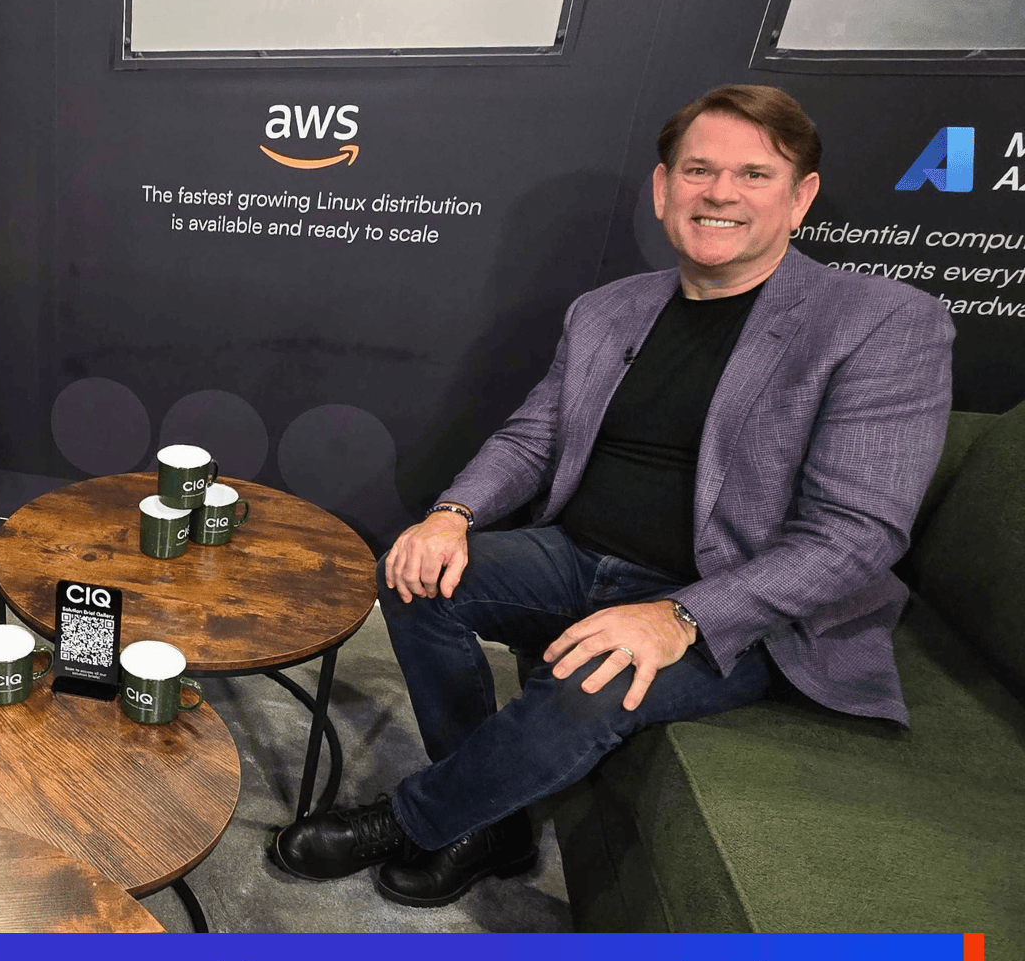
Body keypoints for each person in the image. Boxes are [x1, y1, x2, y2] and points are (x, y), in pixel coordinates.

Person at [272, 85, 955, 907]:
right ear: (663, 189)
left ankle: (416, 818)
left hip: (739, 604)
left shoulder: (882, 322)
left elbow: (856, 533)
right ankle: (492, 822)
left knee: (590, 683)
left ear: (800, 197)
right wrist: (451, 516)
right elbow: (532, 439)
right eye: (698, 170)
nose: (721, 193)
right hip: (580, 556)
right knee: (415, 576)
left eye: (754, 174)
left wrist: (681, 615)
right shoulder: (608, 310)